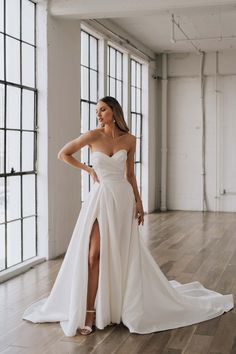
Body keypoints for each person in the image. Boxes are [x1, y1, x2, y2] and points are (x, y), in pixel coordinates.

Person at [22, 96, 234, 337]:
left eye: (102, 110)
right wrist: (89, 169)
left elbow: (130, 174)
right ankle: (90, 312)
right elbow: (63, 154)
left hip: (123, 200)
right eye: (96, 111)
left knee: (121, 253)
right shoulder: (92, 135)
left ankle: (119, 306)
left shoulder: (130, 139)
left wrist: (139, 201)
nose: (98, 114)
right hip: (101, 199)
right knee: (94, 255)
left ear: (114, 111)